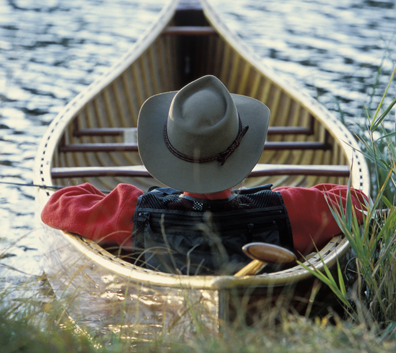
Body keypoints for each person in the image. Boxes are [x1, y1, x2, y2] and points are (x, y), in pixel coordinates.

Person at [41, 75, 369, 275]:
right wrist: (281, 196)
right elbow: (356, 202)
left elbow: (57, 205)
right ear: (244, 157)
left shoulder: (131, 211)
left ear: (169, 155)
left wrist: (157, 198)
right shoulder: (288, 208)